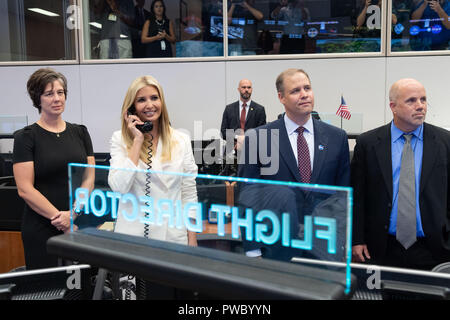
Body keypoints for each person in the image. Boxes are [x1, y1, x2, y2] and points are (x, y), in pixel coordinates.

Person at [237, 68, 350, 260]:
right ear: (281, 97)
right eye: (295, 90)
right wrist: (252, 250)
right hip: (275, 246)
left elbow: (343, 195)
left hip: (324, 247)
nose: (304, 94)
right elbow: (248, 196)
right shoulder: (259, 138)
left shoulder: (336, 137)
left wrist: (342, 242)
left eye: (307, 88)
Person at [351, 78, 450, 270]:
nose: (420, 106)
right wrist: (357, 239)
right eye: (411, 101)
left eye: (423, 99)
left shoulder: (445, 142)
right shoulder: (368, 144)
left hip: (434, 249)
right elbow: (358, 198)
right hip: (381, 248)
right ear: (393, 107)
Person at [12, 68, 95, 270]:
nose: (57, 98)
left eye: (60, 92)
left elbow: (89, 178)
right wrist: (61, 219)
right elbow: (25, 189)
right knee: (48, 289)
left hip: (78, 223)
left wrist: (73, 214)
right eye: (49, 94)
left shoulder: (80, 132)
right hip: (42, 227)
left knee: (78, 288)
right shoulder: (26, 137)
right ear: (37, 99)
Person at [108, 75, 198, 246]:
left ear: (162, 102)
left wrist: (191, 238)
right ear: (131, 109)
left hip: (173, 235)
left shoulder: (181, 139)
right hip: (134, 235)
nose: (150, 105)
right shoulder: (119, 139)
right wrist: (137, 141)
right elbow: (119, 187)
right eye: (141, 100)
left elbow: (189, 193)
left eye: (154, 98)